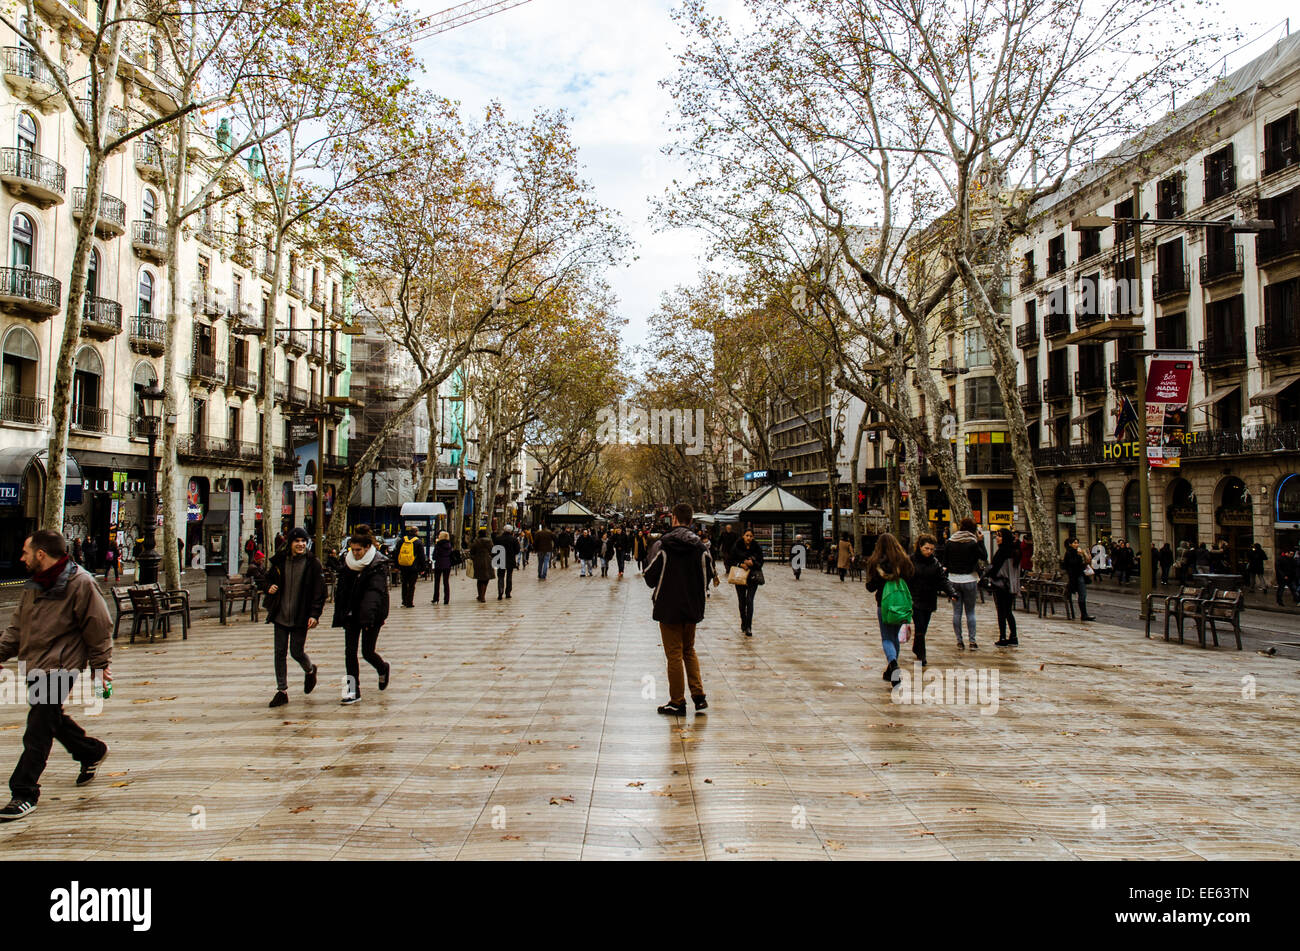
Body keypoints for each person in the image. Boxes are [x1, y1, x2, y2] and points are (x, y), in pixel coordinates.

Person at [0, 530, 112, 822]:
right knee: (50, 719)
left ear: (41, 554)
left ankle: (24, 792)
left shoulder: (81, 582)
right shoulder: (34, 584)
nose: (21, 557)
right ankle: (90, 751)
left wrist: (100, 667)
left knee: (37, 727)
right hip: (35, 662)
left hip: (62, 666)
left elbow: (98, 627)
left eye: (25, 552)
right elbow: (17, 627)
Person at [643, 502, 718, 716]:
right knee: (689, 650)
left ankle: (677, 701)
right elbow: (710, 573)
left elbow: (650, 576)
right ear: (691, 521)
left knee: (674, 654)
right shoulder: (700, 547)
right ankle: (699, 696)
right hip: (692, 606)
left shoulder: (664, 544)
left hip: (668, 606)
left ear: (674, 519)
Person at [263, 527, 325, 708]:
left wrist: (314, 614)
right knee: (279, 653)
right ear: (290, 543)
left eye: (303, 541)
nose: (301, 544)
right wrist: (269, 587)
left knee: (296, 651)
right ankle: (281, 690)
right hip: (280, 614)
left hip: (301, 616)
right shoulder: (279, 561)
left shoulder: (313, 563)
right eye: (297, 541)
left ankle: (310, 670)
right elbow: (266, 579)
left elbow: (319, 592)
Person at [332, 533, 391, 704]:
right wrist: (341, 612)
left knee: (367, 651)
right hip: (351, 614)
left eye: (359, 550)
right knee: (349, 652)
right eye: (353, 549)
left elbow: (374, 593)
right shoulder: (348, 562)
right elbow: (342, 589)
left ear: (367, 548)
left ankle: (382, 668)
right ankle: (351, 690)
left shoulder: (378, 564)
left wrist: (368, 618)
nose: (355, 553)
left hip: (371, 615)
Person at [864, 533, 915, 687]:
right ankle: (891, 670)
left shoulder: (875, 562)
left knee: (887, 637)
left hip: (884, 605)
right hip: (902, 604)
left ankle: (893, 665)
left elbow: (870, 587)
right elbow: (912, 578)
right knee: (894, 637)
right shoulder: (905, 561)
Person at [908, 533, 955, 667]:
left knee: (923, 628)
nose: (929, 551)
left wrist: (952, 592)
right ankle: (922, 656)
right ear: (920, 547)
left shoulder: (935, 563)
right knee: (920, 627)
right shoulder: (911, 560)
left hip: (929, 599)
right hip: (914, 599)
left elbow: (942, 580)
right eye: (926, 548)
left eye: (931, 549)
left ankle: (917, 647)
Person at [943, 518, 987, 651]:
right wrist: (981, 541)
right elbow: (984, 556)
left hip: (954, 580)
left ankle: (959, 641)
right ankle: (972, 641)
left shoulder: (950, 542)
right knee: (970, 612)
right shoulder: (973, 543)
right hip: (969, 579)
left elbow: (945, 562)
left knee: (957, 612)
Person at [725, 528, 764, 637]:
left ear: (753, 537)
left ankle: (749, 626)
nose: (749, 538)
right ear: (743, 536)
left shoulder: (756, 547)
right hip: (739, 577)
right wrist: (740, 564)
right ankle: (743, 620)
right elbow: (730, 560)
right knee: (742, 602)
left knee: (749, 600)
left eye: (751, 536)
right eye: (747, 535)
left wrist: (753, 563)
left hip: (752, 577)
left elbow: (761, 562)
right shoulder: (737, 546)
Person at [988, 529, 1022, 647]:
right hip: (1011, 585)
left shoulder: (1002, 552)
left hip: (1001, 585)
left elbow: (994, 570)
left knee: (1001, 612)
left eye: (1000, 536)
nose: (997, 538)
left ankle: (1002, 637)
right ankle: (1013, 636)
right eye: (997, 536)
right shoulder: (1015, 551)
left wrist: (988, 575)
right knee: (1008, 611)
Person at [1062, 536, 1096, 621]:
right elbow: (1073, 564)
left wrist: (1084, 555)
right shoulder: (1070, 553)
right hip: (1076, 577)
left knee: (1082, 595)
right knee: (1082, 594)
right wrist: (1079, 555)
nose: (1077, 545)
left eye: (1077, 543)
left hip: (1080, 575)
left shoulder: (1076, 553)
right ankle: (1084, 614)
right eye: (1075, 543)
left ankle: (1084, 614)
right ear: (1070, 544)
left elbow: (1084, 562)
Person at [395, 526, 426, 609]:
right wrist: (423, 568)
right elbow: (421, 556)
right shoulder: (418, 542)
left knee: (404, 583)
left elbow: (397, 553)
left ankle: (404, 600)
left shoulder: (402, 540)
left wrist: (397, 565)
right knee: (412, 585)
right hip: (413, 566)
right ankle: (409, 602)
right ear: (416, 532)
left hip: (403, 566)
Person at [494, 525, 520, 600]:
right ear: (511, 531)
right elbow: (517, 550)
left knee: (500, 576)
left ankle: (500, 591)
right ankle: (508, 592)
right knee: (509, 576)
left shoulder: (498, 539)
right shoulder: (514, 539)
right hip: (510, 560)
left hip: (500, 559)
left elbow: (495, 549)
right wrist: (512, 553)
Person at [468, 529, 493, 602]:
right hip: (487, 561)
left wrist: (473, 558)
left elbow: (472, 551)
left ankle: (480, 595)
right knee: (486, 578)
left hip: (478, 561)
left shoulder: (476, 542)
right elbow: (492, 550)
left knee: (479, 578)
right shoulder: (489, 541)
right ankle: (482, 596)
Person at [430, 531, 454, 605]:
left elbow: (434, 555)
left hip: (439, 564)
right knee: (446, 582)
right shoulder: (449, 545)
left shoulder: (438, 545)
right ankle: (446, 599)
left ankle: (436, 598)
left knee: (437, 582)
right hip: (447, 564)